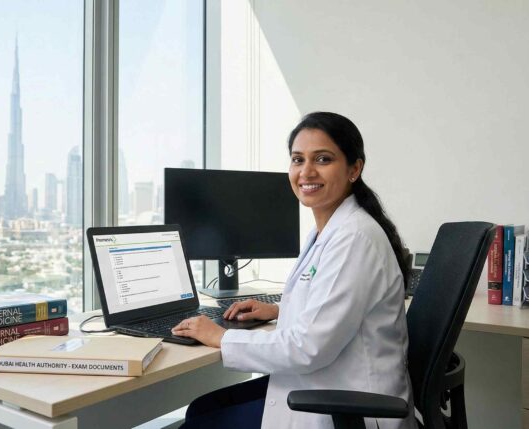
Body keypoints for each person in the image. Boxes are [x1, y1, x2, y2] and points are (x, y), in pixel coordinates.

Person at [172, 112, 415, 429]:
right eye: (297, 159)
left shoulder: (353, 237)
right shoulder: (329, 230)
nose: (306, 171)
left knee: (202, 420)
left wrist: (220, 336)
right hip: (326, 385)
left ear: (354, 168)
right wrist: (278, 309)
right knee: (204, 407)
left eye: (323, 159)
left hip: (348, 407)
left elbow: (307, 348)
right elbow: (332, 306)